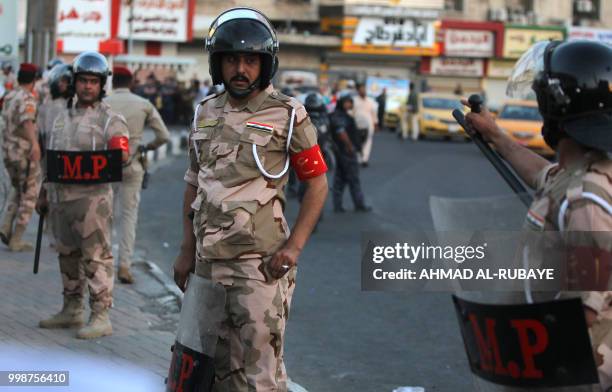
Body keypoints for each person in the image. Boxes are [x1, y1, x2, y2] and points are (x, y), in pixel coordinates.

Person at [172, 7, 328, 391]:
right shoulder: (205, 112)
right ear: (217, 64)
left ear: (265, 64)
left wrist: (294, 247)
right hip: (208, 267)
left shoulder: (289, 114)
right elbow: (193, 182)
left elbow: (318, 184)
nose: (240, 69)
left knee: (259, 376)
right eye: (230, 59)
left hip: (258, 268)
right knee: (208, 370)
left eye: (249, 60)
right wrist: (186, 248)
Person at [465, 40, 612, 391]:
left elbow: (584, 311)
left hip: (577, 374)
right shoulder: (580, 172)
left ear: (554, 106)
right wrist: (495, 135)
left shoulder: (586, 199)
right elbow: (542, 175)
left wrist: (513, 346)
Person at [37, 52, 129, 340]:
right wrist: (42, 193)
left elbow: (121, 155)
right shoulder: (61, 117)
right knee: (66, 255)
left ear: (101, 85)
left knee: (96, 258)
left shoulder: (110, 119)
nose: (87, 86)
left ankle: (101, 315)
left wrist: (118, 153)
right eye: (83, 81)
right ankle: (71, 308)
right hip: (61, 200)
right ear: (73, 82)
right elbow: (51, 159)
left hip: (93, 204)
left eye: (93, 81)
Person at [104, 66, 169, 283]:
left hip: (106, 164)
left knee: (105, 215)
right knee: (129, 216)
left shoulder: (104, 104)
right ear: (131, 82)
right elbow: (164, 135)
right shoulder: (143, 104)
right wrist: (145, 147)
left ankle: (103, 262)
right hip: (133, 164)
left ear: (113, 83)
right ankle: (124, 265)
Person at [0, 63, 41, 251]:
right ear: (33, 80)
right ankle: (17, 238)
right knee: (30, 194)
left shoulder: (9, 96)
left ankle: (6, 225)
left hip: (8, 152)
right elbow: (27, 122)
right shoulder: (27, 98)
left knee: (18, 188)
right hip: (23, 153)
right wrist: (34, 144)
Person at [330, 94, 371, 213]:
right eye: (347, 102)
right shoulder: (339, 116)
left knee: (340, 179)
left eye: (350, 102)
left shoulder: (342, 115)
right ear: (342, 103)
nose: (349, 104)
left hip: (342, 152)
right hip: (345, 152)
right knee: (353, 179)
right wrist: (350, 146)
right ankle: (359, 204)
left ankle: (338, 206)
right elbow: (341, 132)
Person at [353, 82, 378, 167]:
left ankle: (365, 159)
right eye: (361, 89)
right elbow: (350, 112)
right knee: (357, 142)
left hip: (369, 125)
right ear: (358, 91)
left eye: (364, 89)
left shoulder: (371, 101)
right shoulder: (354, 100)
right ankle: (359, 158)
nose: (363, 91)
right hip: (357, 125)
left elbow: (374, 113)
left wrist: (375, 123)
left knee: (367, 142)